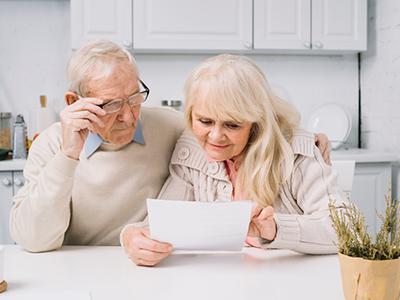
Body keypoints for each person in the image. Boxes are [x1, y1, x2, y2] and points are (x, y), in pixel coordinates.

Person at [121, 54, 344, 266]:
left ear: (256, 123)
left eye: (233, 125)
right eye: (205, 121)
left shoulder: (296, 152)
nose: (216, 136)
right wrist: (130, 236)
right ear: (190, 116)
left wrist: (275, 229)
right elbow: (161, 223)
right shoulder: (191, 147)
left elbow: (344, 229)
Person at [10, 40, 184, 252]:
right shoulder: (51, 144)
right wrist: (68, 156)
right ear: (74, 102)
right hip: (77, 271)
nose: (129, 117)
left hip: (151, 267)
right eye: (111, 105)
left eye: (135, 98)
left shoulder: (173, 127)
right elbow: (33, 240)